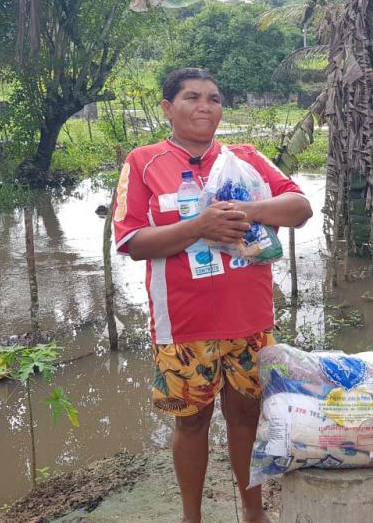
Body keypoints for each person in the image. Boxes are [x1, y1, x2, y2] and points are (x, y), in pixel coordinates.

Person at [112, 68, 312, 523]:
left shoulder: (246, 158)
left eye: (214, 98)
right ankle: (192, 517)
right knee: (191, 421)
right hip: (184, 323)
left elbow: (300, 207)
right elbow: (132, 242)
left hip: (251, 319)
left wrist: (246, 209)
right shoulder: (144, 162)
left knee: (246, 416)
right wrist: (199, 227)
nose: (205, 106)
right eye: (192, 97)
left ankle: (253, 512)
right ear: (168, 108)